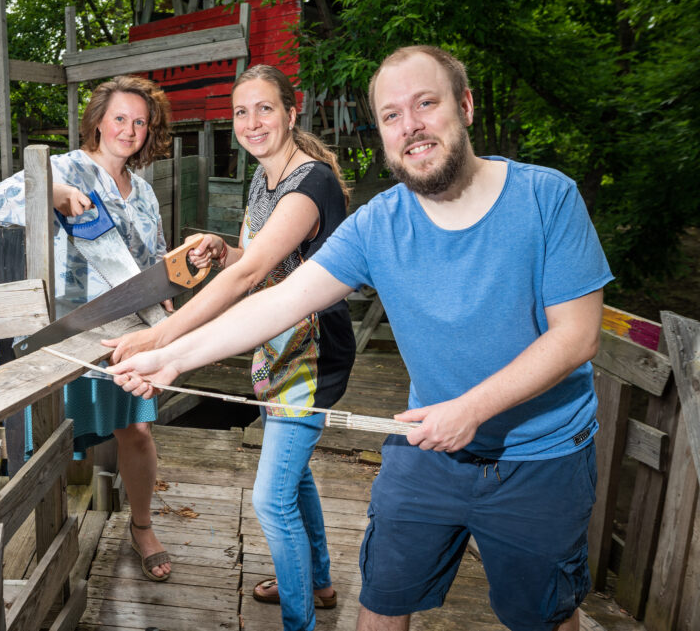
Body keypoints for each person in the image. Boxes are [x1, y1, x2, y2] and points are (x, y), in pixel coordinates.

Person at [110, 45, 613, 631]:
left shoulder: (548, 197)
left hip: (540, 458)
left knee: (544, 618)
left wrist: (472, 409)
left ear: (466, 105)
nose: (411, 126)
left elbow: (577, 337)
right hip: (427, 450)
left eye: (427, 103)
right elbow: (279, 299)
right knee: (379, 605)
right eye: (392, 115)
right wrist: (172, 357)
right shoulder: (380, 223)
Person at [104, 64, 355, 631]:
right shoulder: (263, 179)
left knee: (270, 500)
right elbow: (250, 261)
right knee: (296, 475)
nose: (251, 122)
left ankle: (300, 622)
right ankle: (316, 583)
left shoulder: (309, 182)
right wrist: (222, 248)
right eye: (241, 111)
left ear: (292, 113)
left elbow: (252, 278)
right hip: (273, 341)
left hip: (313, 352)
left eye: (265, 108)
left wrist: (161, 337)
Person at [0, 75, 174, 582]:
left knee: (136, 429)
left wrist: (170, 322)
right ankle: (35, 539)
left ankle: (142, 525)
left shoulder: (146, 194)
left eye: (139, 121)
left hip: (126, 329)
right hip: (64, 331)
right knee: (47, 436)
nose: (129, 129)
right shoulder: (63, 166)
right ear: (98, 122)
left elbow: (153, 264)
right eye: (120, 118)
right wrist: (57, 192)